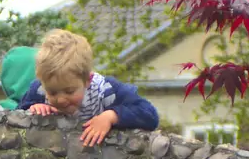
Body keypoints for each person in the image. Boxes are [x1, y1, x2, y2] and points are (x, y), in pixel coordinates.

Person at [16, 29, 160, 146]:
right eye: (52, 92)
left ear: (87, 81)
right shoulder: (39, 90)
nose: (60, 100)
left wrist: (111, 116)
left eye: (69, 91)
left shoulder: (107, 91)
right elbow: (16, 116)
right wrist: (32, 108)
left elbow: (150, 115)